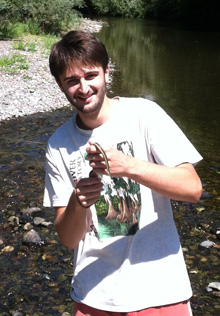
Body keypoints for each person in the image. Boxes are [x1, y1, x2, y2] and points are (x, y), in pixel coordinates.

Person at [43, 30, 203, 316]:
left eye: (91, 75)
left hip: (162, 293)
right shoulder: (58, 144)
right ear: (60, 85)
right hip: (94, 298)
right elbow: (68, 239)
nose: (83, 88)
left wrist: (129, 166)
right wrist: (78, 203)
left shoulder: (145, 114)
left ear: (107, 72)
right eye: (71, 81)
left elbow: (192, 188)